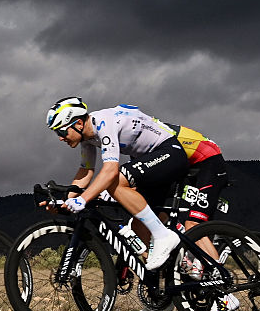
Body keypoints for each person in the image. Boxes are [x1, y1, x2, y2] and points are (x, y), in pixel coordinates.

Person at [44, 98, 229, 276]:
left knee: (190, 224)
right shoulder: (87, 139)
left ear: (78, 123)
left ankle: (168, 239)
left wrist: (84, 199)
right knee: (139, 225)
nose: (60, 138)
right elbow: (85, 172)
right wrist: (65, 202)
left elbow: (110, 171)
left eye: (61, 132)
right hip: (156, 159)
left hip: (191, 156)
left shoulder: (103, 123)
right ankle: (156, 289)